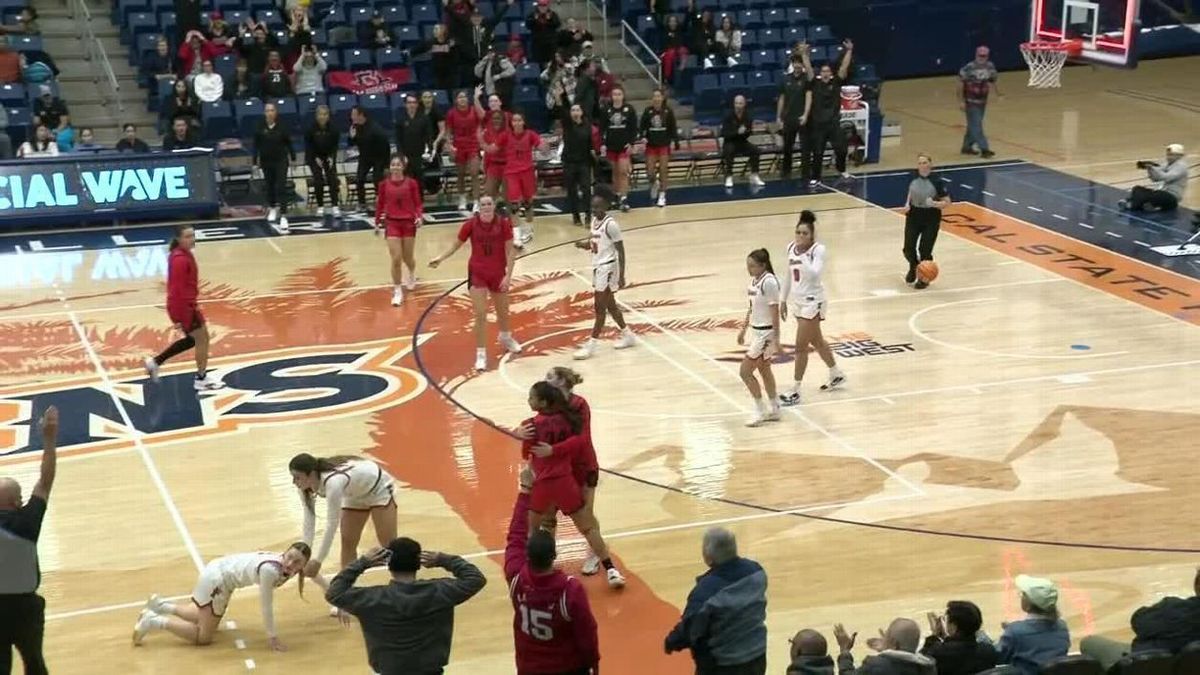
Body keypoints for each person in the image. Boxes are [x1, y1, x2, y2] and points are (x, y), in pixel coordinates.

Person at [520, 381, 626, 588]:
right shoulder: (568, 421)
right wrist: (556, 449)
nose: (528, 400)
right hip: (565, 483)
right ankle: (611, 570)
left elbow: (525, 453)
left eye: (531, 397)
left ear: (542, 401)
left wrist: (524, 437)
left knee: (534, 530)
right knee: (587, 527)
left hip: (542, 486)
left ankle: (534, 573)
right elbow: (578, 442)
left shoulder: (530, 425)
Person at [325, 539, 487, 675]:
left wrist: (363, 563)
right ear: (419, 563)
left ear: (388, 564)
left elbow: (334, 592)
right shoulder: (439, 591)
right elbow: (475, 578)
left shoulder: (372, 598)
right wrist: (443, 559)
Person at [503, 465, 601, 675]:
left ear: (527, 556)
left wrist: (525, 491)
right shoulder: (569, 590)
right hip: (567, 668)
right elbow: (587, 633)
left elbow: (515, 535)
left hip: (529, 668)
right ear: (555, 556)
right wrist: (594, 662)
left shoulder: (516, 578)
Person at [133, 543, 314, 650]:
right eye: (289, 557)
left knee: (200, 616)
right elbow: (266, 605)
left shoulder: (288, 566)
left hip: (218, 573)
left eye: (297, 562)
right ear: (285, 552)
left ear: (302, 565)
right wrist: (272, 637)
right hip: (218, 581)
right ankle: (154, 621)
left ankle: (160, 605)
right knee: (203, 637)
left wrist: (336, 603)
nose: (290, 563)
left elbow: (316, 575)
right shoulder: (270, 571)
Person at [429, 195, 523, 370]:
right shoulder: (470, 225)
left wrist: (508, 276)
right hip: (478, 273)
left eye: (489, 203)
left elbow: (511, 251)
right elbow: (455, 245)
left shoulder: (503, 224)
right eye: (483, 204)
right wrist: (440, 258)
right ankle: (481, 354)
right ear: (478, 207)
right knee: (480, 315)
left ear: (493, 206)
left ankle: (505, 337)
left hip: (498, 272)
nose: (486, 207)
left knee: (503, 312)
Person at [0, 407, 58, 675]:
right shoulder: (27, 522)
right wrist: (49, 439)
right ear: (17, 502)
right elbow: (45, 482)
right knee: (34, 663)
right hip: (26, 608)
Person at [665, 527, 767, 674]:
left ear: (708, 554)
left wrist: (671, 642)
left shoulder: (706, 592)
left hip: (723, 664)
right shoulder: (757, 572)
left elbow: (691, 629)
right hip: (756, 654)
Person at [287, 454, 399, 587]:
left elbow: (331, 525)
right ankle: (346, 592)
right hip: (354, 494)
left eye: (297, 477)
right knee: (347, 542)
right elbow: (309, 521)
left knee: (389, 545)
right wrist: (303, 553)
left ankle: (403, 583)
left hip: (378, 488)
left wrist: (318, 560)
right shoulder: (304, 489)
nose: (294, 482)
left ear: (311, 474)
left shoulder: (333, 483)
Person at [141, 225, 223, 389]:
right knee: (202, 339)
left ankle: (155, 362)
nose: (192, 239)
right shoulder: (180, 259)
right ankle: (201, 379)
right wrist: (177, 316)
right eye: (187, 236)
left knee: (192, 340)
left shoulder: (182, 254)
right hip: (185, 308)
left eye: (193, 235)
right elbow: (175, 291)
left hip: (187, 306)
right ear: (179, 239)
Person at [779, 210, 845, 405]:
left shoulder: (818, 250)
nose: (800, 237)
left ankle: (795, 390)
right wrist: (783, 299)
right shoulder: (790, 247)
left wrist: (803, 257)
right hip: (797, 302)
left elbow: (815, 273)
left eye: (804, 234)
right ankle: (836, 373)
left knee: (800, 346)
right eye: (798, 233)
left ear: (812, 235)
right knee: (817, 340)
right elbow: (789, 275)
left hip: (813, 301)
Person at [1080, 567, 1200, 670]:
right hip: (1181, 666)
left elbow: (1138, 622)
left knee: (1089, 642)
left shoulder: (1173, 609)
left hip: (1144, 665)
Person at [573, 193, 636, 359]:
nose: (594, 210)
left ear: (606, 206)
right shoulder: (594, 222)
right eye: (592, 207)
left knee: (599, 308)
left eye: (598, 207)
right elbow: (595, 244)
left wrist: (621, 275)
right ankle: (628, 335)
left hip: (608, 268)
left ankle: (592, 345)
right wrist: (583, 245)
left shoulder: (611, 225)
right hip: (598, 267)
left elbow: (621, 252)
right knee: (611, 306)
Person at [737, 249, 782, 427]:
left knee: (745, 372)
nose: (749, 269)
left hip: (766, 333)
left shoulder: (769, 282)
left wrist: (776, 338)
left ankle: (760, 410)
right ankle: (775, 408)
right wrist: (743, 330)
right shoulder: (753, 282)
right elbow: (751, 308)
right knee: (764, 369)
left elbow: (774, 311)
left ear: (763, 265)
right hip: (756, 331)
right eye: (748, 265)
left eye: (752, 266)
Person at [374, 155, 424, 306]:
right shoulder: (383, 185)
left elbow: (417, 203)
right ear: (390, 167)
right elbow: (380, 204)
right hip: (392, 223)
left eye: (398, 164)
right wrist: (376, 223)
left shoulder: (411, 183)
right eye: (393, 164)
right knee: (396, 258)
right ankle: (397, 290)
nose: (395, 167)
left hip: (408, 223)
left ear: (403, 167)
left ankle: (411, 273)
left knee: (408, 258)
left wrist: (419, 217)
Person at [996, 575, 1070, 675]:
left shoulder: (1015, 632)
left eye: (1023, 594)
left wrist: (1010, 632)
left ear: (1029, 603)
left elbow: (998, 658)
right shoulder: (1062, 627)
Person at [901, 153, 951, 289]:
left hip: (931, 217)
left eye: (924, 163)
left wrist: (934, 203)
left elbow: (947, 202)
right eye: (920, 163)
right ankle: (914, 265)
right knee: (908, 248)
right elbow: (911, 191)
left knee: (925, 249)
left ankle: (924, 278)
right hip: (914, 215)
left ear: (930, 164)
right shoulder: (913, 176)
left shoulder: (937, 181)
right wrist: (907, 203)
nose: (922, 166)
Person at [807, 40, 854, 186]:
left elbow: (844, 67)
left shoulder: (836, 83)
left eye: (828, 71)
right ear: (820, 74)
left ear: (831, 73)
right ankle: (815, 177)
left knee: (842, 148)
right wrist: (804, 55)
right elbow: (808, 69)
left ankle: (841, 170)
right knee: (818, 153)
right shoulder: (815, 83)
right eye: (823, 71)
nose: (825, 73)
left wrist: (849, 51)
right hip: (819, 125)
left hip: (833, 124)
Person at [492, 111, 541, 245]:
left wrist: (544, 146)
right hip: (511, 172)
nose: (517, 123)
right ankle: (517, 236)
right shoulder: (505, 135)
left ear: (523, 122)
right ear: (511, 123)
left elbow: (541, 145)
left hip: (527, 172)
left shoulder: (530, 134)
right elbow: (492, 149)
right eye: (514, 121)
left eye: (519, 120)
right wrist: (481, 142)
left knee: (528, 203)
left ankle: (529, 230)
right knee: (513, 205)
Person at [833, 619, 937, 675]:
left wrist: (844, 650)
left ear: (894, 643)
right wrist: (889, 650)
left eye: (886, 637)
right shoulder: (929, 667)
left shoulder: (875, 666)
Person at [920, 601, 998, 675]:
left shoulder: (937, 652)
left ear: (954, 626)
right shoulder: (988, 651)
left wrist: (934, 635)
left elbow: (920, 664)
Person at [253, 102, 295, 233]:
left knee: (281, 186)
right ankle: (272, 208)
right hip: (266, 161)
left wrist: (293, 158)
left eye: (272, 110)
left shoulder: (282, 126)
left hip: (281, 160)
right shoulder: (260, 127)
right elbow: (256, 145)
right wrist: (255, 162)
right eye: (267, 110)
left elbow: (289, 143)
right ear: (264, 113)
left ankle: (283, 215)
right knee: (270, 185)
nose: (270, 113)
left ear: (276, 112)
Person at [560, 102, 600, 225]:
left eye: (577, 110)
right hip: (569, 162)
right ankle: (576, 216)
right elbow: (562, 109)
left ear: (582, 112)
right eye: (573, 110)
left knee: (586, 189)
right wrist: (560, 98)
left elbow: (590, 143)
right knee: (572, 190)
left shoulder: (588, 126)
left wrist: (594, 154)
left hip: (584, 162)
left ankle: (588, 215)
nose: (575, 112)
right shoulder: (567, 125)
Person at [446, 87, 485, 212]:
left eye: (464, 97)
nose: (462, 99)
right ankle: (462, 198)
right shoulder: (451, 113)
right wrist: (449, 145)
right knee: (461, 174)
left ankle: (476, 202)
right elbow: (447, 132)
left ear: (468, 99)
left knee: (474, 173)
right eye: (459, 97)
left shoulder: (474, 111)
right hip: (459, 146)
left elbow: (483, 121)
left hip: (473, 145)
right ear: (456, 100)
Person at [599, 86, 637, 212]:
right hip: (611, 145)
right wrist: (603, 143)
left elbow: (633, 128)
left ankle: (624, 198)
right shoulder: (606, 110)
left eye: (619, 94)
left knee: (623, 171)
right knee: (615, 173)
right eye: (614, 94)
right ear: (611, 96)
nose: (616, 96)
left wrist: (631, 143)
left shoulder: (629, 109)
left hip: (624, 146)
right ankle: (616, 196)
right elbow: (602, 129)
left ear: (623, 95)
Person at [1119, 143, 1188, 212]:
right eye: (1168, 155)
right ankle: (1141, 205)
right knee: (1137, 188)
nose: (1169, 157)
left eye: (1172, 155)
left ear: (1180, 156)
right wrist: (1149, 169)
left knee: (1155, 194)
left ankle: (1132, 204)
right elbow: (1155, 179)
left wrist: (1152, 168)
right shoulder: (1167, 164)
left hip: (1172, 197)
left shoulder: (1181, 166)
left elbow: (1166, 177)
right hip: (1162, 192)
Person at [958, 45, 999, 158]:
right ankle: (984, 148)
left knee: (973, 124)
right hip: (971, 101)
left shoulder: (990, 66)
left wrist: (998, 93)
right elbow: (960, 84)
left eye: (984, 56)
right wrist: (961, 101)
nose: (982, 58)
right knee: (976, 125)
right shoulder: (969, 67)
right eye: (980, 55)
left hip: (982, 101)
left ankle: (966, 147)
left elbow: (993, 80)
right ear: (976, 55)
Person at [640, 88, 679, 208]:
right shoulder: (647, 111)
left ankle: (662, 195)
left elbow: (673, 128)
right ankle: (654, 184)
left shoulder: (668, 111)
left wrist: (675, 141)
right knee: (650, 172)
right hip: (651, 145)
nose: (656, 99)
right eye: (654, 96)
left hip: (664, 145)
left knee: (663, 170)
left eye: (658, 96)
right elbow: (642, 127)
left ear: (662, 98)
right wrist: (643, 136)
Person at [777, 53, 812, 180]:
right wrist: (779, 117)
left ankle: (806, 173)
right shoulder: (785, 79)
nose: (797, 65)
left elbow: (809, 97)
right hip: (788, 118)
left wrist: (806, 114)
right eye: (795, 62)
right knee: (787, 147)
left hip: (802, 118)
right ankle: (786, 172)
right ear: (792, 64)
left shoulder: (806, 79)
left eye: (799, 62)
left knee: (805, 147)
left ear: (802, 65)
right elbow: (781, 99)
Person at [350, 106, 391, 212]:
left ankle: (381, 202)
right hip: (365, 157)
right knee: (359, 179)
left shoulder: (375, 129)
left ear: (361, 115)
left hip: (379, 157)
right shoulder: (356, 127)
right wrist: (352, 137)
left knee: (377, 179)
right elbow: (353, 143)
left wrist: (386, 165)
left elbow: (386, 147)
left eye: (354, 114)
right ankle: (361, 203)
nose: (352, 117)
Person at [720, 95, 764, 189]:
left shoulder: (748, 116)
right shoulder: (728, 115)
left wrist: (745, 132)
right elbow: (724, 133)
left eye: (740, 103)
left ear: (744, 104)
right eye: (736, 103)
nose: (738, 105)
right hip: (729, 142)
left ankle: (754, 175)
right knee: (729, 151)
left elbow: (749, 132)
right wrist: (737, 132)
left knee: (755, 150)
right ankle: (729, 176)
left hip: (742, 142)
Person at [305, 104, 341, 217]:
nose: (323, 117)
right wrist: (315, 157)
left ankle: (335, 206)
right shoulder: (310, 128)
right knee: (318, 181)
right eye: (320, 114)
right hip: (314, 157)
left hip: (328, 156)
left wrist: (331, 157)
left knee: (332, 180)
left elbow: (335, 146)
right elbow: (308, 146)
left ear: (328, 116)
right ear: (316, 116)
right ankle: (320, 206)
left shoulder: (334, 128)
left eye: (325, 114)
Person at [394, 94, 435, 193]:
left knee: (419, 182)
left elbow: (429, 136)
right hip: (406, 156)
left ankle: (419, 205)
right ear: (405, 105)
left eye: (414, 102)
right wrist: (401, 155)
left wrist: (427, 151)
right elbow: (398, 139)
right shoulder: (400, 119)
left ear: (417, 104)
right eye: (409, 102)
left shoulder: (424, 119)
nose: (411, 105)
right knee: (406, 182)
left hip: (419, 155)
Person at [409, 23, 458, 91]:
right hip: (437, 74)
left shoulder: (452, 43)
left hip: (450, 74)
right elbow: (415, 50)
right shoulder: (430, 42)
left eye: (437, 29)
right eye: (434, 29)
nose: (434, 31)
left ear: (444, 30)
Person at [480, 107, 510, 204]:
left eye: (498, 119)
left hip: (507, 166)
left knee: (508, 197)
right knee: (488, 195)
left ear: (503, 121)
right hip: (493, 166)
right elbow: (487, 154)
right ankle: (490, 217)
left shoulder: (508, 133)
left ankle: (512, 217)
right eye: (494, 119)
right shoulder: (487, 133)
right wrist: (485, 169)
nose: (496, 121)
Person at [525, 0, 562, 66]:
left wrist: (549, 20)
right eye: (540, 5)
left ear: (547, 6)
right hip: (537, 44)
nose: (542, 7)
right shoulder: (532, 15)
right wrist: (534, 20)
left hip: (550, 44)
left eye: (544, 5)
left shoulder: (552, 14)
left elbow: (558, 24)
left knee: (552, 64)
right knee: (539, 65)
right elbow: (528, 25)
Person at [660, 15, 688, 85]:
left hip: (678, 50)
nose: (673, 23)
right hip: (668, 51)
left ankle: (682, 66)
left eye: (674, 21)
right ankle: (667, 77)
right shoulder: (665, 31)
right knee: (670, 53)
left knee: (683, 49)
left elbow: (686, 21)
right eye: (671, 21)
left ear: (677, 23)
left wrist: (690, 9)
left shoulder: (680, 30)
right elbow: (665, 45)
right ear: (668, 23)